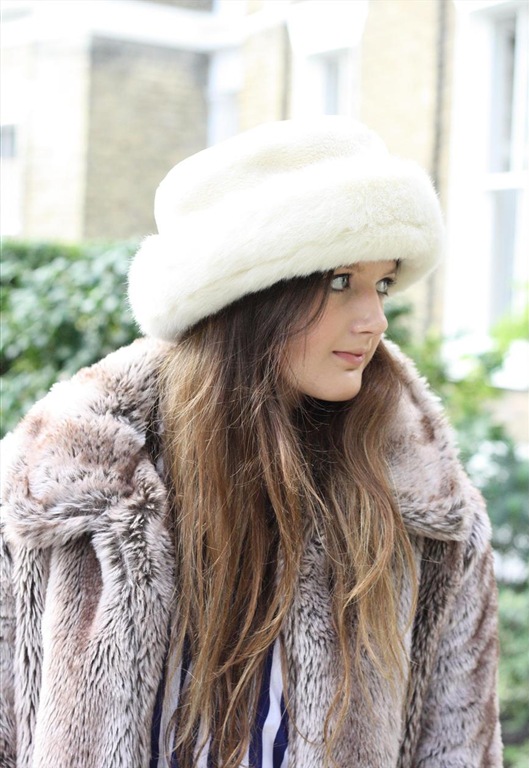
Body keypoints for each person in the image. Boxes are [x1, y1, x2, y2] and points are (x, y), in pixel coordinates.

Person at [0, 118, 502, 768]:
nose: (375, 318)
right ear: (248, 297)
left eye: (381, 284)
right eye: (338, 281)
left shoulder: (424, 514)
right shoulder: (59, 495)